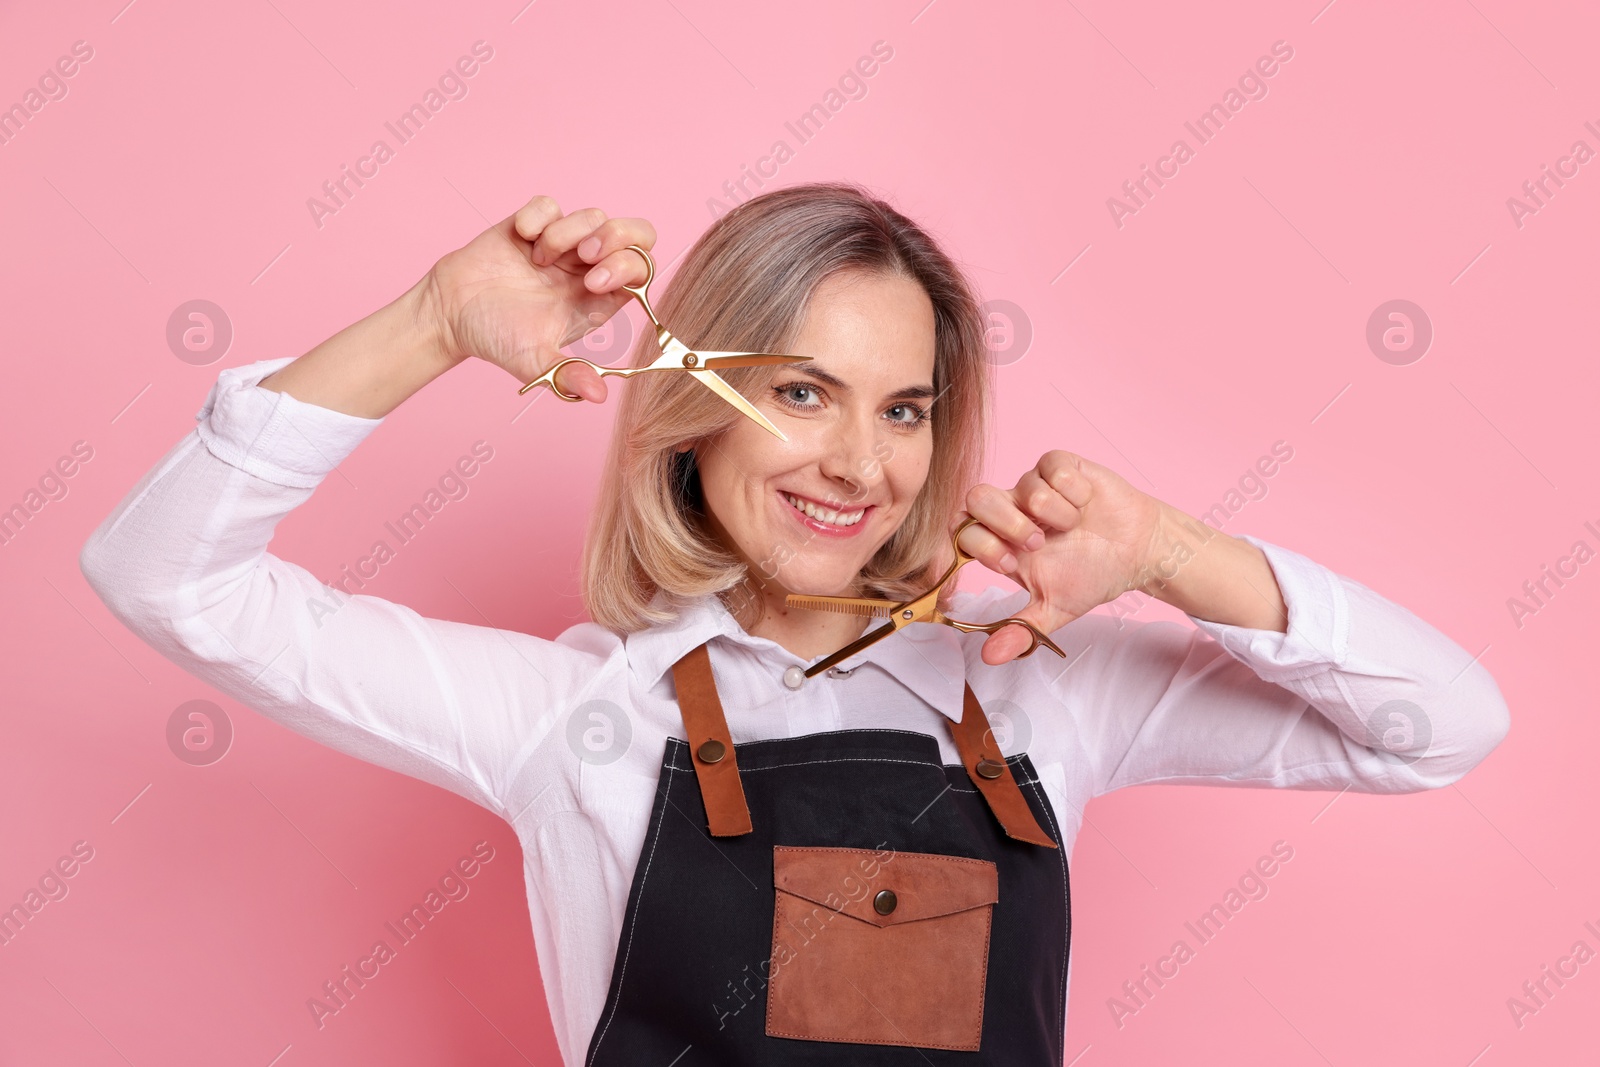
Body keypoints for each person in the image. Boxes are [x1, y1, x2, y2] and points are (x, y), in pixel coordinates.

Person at [79, 182, 1510, 1065]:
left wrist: (1170, 552)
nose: (859, 465)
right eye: (804, 392)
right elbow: (167, 581)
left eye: (904, 409)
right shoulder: (577, 718)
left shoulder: (1040, 685)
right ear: (692, 417)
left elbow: (1438, 731)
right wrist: (434, 322)